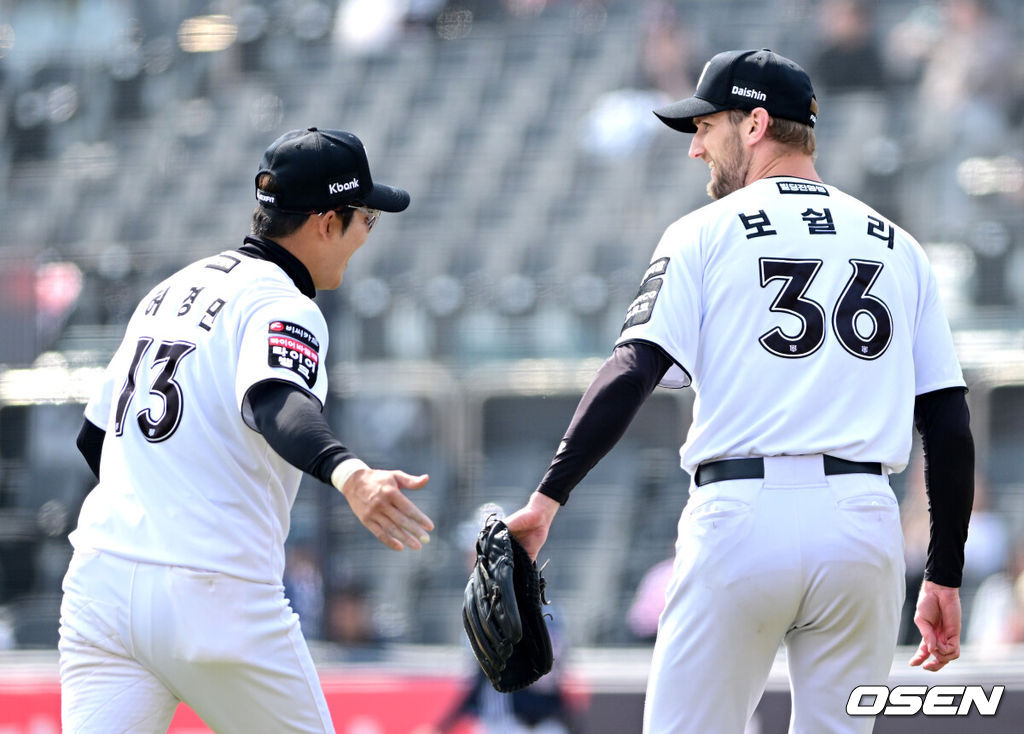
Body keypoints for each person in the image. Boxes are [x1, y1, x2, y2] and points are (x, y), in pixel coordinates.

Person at [504, 49, 974, 733]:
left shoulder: (705, 233)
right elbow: (949, 421)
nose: (695, 147)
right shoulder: (900, 246)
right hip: (863, 523)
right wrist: (944, 573)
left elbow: (633, 369)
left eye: (705, 126)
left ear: (754, 124)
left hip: (743, 514)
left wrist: (547, 499)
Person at [59, 127, 435, 733]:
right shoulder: (282, 300)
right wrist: (350, 471)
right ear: (325, 220)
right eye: (365, 217)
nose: (368, 232)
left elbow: (96, 438)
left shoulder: (172, 288)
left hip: (101, 587)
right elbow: (275, 400)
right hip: (213, 594)